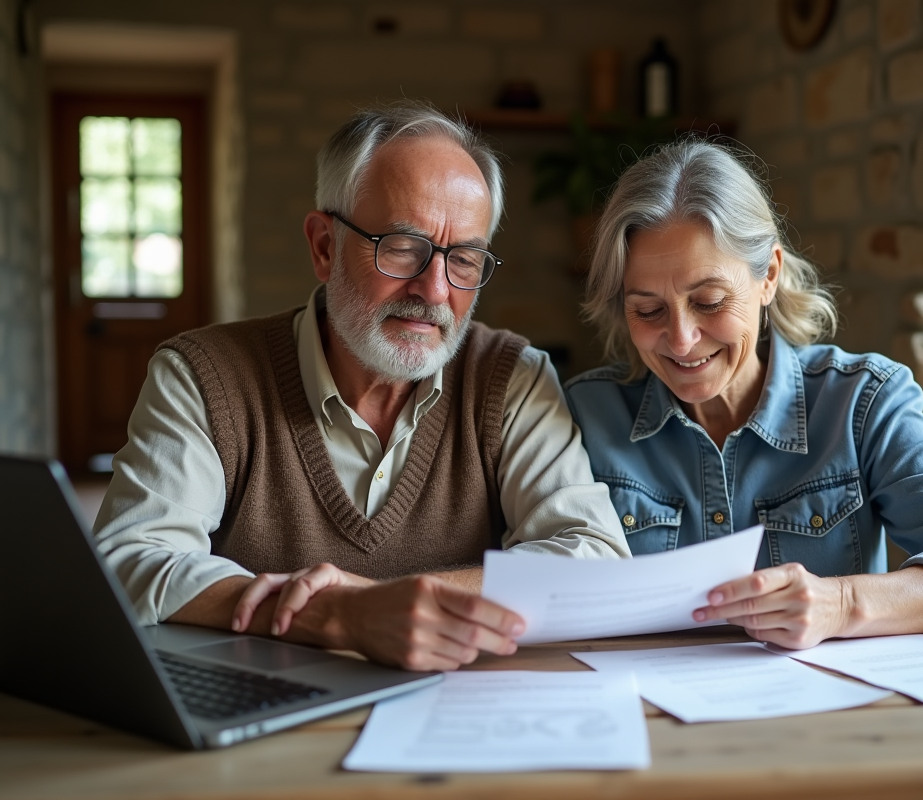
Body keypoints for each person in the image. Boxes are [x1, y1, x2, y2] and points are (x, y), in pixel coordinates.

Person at [94, 102, 630, 672]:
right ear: (324, 245)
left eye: (465, 259)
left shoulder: (513, 378)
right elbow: (128, 557)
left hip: (457, 718)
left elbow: (594, 557)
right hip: (264, 716)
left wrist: (403, 605)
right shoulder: (202, 375)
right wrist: (338, 614)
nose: (434, 289)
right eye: (402, 248)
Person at [564, 140, 923, 649]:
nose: (681, 340)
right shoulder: (584, 417)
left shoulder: (861, 404)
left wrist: (844, 604)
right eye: (649, 311)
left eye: (710, 301)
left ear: (768, 275)